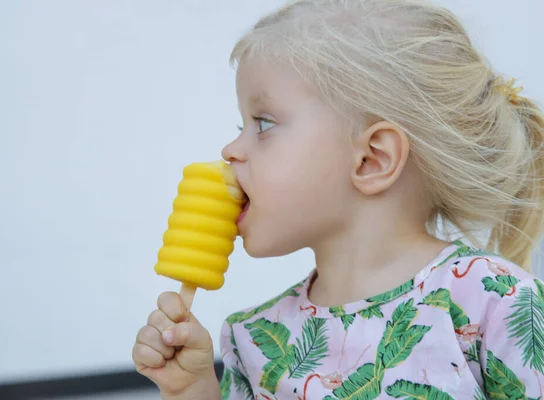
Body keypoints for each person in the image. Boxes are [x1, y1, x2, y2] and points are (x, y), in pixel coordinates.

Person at [133, 0, 544, 398]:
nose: (230, 150)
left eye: (263, 123)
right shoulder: (254, 338)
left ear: (371, 159)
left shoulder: (498, 303)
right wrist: (192, 391)